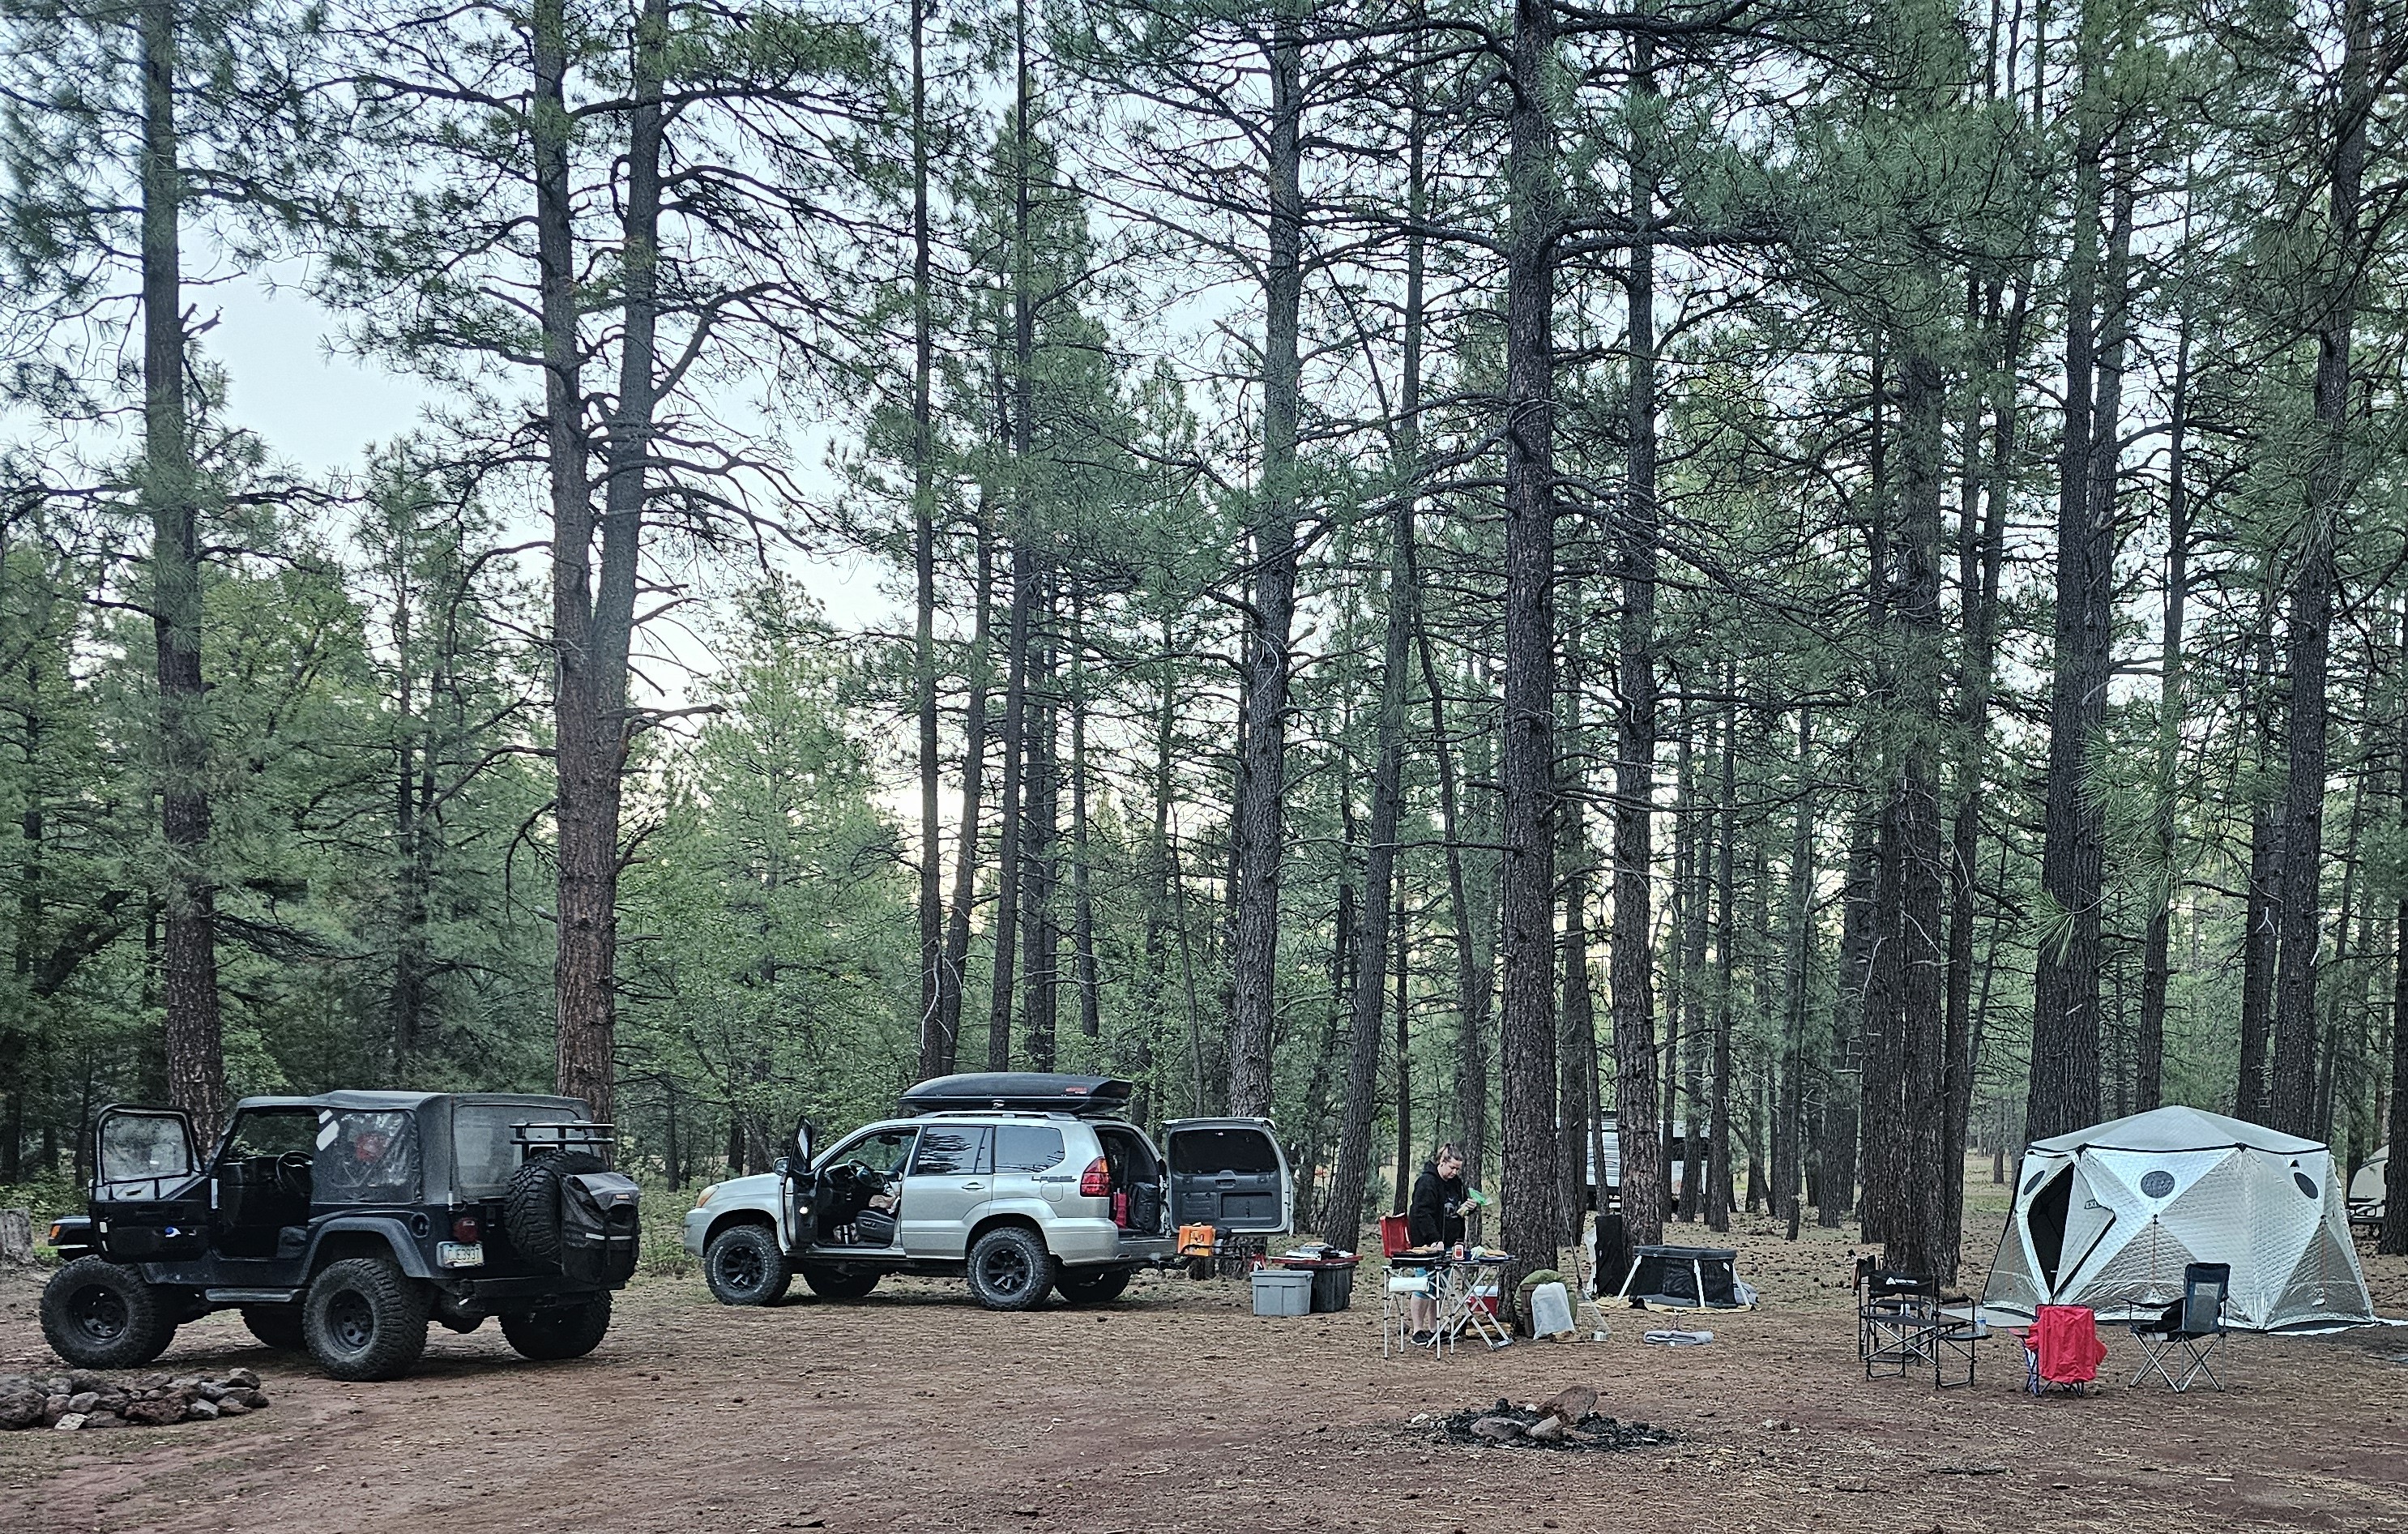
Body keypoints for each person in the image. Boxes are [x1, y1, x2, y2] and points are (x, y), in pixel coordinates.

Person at [1403, 1143, 1471, 1343]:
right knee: (1424, 1285)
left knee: (1439, 1287)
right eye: (1452, 1167)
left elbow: (1460, 1207)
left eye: (1458, 1169)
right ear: (1442, 1162)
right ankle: (1417, 1330)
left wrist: (1469, 1207)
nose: (1454, 1172)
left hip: (1449, 1243)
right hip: (1426, 1245)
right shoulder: (1427, 1182)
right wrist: (1434, 1239)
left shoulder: (1456, 1183)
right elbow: (1421, 1213)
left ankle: (1434, 1328)